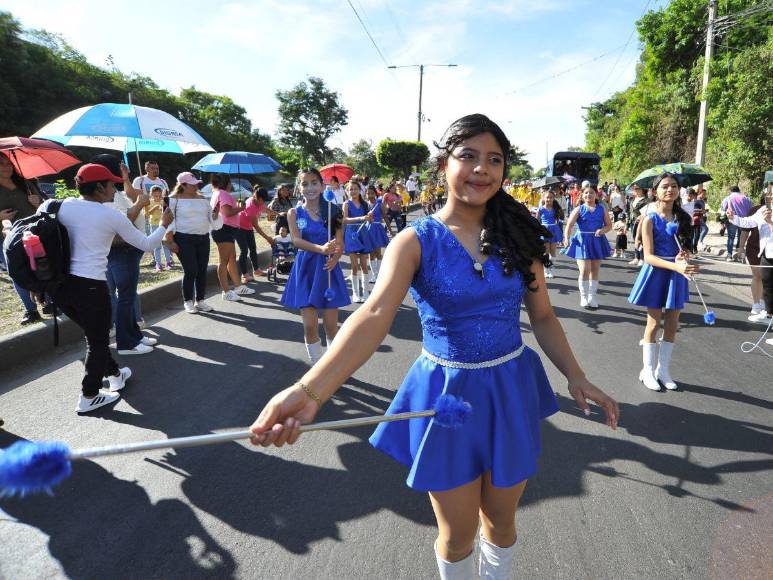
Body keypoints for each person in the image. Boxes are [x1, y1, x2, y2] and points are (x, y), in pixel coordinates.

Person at [248, 114, 618, 580]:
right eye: (468, 156)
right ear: (443, 165)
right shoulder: (414, 241)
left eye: (494, 160)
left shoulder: (517, 237)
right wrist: (309, 390)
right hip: (446, 397)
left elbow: (542, 315)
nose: (481, 169)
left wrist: (576, 376)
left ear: (504, 171)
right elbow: (374, 316)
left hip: (510, 389)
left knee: (502, 522)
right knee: (458, 532)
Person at [41, 163, 172, 413]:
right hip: (90, 286)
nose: (115, 188)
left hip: (58, 287)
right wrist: (164, 224)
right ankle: (89, 395)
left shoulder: (55, 205)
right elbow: (146, 244)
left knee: (94, 333)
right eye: (111, 184)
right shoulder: (109, 215)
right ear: (99, 187)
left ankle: (114, 373)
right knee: (97, 340)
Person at [628, 173, 698, 391]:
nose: (670, 190)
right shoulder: (649, 219)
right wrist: (675, 266)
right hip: (656, 272)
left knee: (672, 324)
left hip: (676, 274)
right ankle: (646, 370)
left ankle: (663, 369)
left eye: (674, 186)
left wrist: (684, 258)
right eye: (665, 186)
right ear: (655, 191)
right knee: (653, 323)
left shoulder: (684, 219)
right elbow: (647, 256)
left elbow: (686, 250)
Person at [281, 167, 349, 364]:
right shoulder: (294, 212)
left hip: (328, 270)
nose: (309, 187)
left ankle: (331, 365)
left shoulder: (333, 210)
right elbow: (296, 240)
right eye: (304, 183)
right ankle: (316, 366)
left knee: (330, 326)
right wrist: (321, 249)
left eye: (314, 183)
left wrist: (335, 257)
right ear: (299, 187)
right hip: (306, 270)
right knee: (310, 326)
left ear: (322, 186)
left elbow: (340, 243)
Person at [164, 172, 222, 314]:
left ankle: (200, 300)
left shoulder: (202, 198)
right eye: (193, 184)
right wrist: (170, 241)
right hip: (183, 239)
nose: (196, 186)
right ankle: (188, 301)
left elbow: (211, 219)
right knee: (191, 270)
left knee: (202, 270)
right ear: (182, 185)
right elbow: (167, 221)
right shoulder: (172, 199)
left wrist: (215, 213)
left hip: (203, 238)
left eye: (197, 183)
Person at [0, 152, 45, 324]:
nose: (6, 166)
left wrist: (37, 203)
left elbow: (43, 206)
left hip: (33, 233)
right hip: (5, 239)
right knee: (16, 273)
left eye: (8, 163)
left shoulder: (24, 183)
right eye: (1, 163)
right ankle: (31, 310)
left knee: (41, 267)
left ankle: (47, 300)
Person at [727, 189, 773, 331]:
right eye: (770, 194)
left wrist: (770, 222)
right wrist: (733, 217)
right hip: (767, 251)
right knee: (768, 284)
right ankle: (769, 314)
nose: (770, 197)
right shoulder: (764, 210)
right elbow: (749, 222)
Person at [562, 186, 613, 309]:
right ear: (582, 195)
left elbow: (609, 226)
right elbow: (569, 225)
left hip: (597, 241)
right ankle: (583, 296)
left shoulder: (602, 209)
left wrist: (602, 230)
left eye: (591, 193)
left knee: (595, 270)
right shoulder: (579, 209)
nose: (588, 195)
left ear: (596, 195)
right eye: (586, 193)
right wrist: (566, 238)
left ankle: (592, 296)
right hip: (582, 241)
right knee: (585, 269)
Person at [209, 173, 255, 301]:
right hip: (224, 230)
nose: (231, 184)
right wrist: (241, 208)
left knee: (231, 258)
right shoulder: (223, 194)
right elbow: (227, 213)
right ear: (226, 183)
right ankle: (226, 291)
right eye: (230, 182)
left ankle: (238, 286)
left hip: (226, 230)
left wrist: (237, 207)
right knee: (223, 261)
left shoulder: (218, 193)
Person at [342, 181, 373, 303]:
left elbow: (369, 222)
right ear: (347, 191)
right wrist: (360, 218)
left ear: (360, 190)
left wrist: (369, 217)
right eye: (350, 189)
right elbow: (344, 220)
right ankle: (356, 294)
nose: (353, 191)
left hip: (363, 234)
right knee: (354, 266)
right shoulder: (346, 204)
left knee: (364, 265)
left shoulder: (365, 205)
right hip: (352, 235)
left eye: (355, 189)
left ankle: (365, 292)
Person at [237, 186, 273, 283]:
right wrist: (267, 238)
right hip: (239, 228)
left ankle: (256, 270)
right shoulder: (250, 206)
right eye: (264, 200)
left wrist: (278, 214)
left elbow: (266, 209)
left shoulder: (259, 202)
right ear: (260, 198)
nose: (264, 202)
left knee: (253, 248)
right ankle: (244, 275)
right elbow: (256, 226)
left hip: (248, 227)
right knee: (244, 250)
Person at [363, 185, 390, 283]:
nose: (370, 195)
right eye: (368, 193)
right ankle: (375, 275)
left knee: (378, 253)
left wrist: (390, 231)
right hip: (368, 230)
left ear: (375, 193)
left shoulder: (380, 204)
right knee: (371, 254)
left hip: (377, 229)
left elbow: (385, 217)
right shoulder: (365, 205)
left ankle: (380, 274)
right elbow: (362, 218)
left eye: (372, 193)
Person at [536, 188, 563, 278]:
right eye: (547, 197)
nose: (549, 199)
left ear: (553, 199)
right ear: (543, 198)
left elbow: (559, 220)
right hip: (544, 230)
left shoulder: (555, 209)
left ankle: (550, 269)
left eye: (551, 197)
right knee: (546, 251)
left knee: (553, 251)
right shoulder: (540, 209)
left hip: (553, 230)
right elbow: (537, 221)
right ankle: (546, 269)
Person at [720, 186, 752, 262]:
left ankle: (729, 255)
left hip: (732, 220)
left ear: (731, 191)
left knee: (731, 237)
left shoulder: (728, 198)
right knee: (741, 238)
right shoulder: (746, 199)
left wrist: (722, 223)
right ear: (739, 190)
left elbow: (723, 210)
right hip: (743, 221)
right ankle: (740, 256)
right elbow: (751, 209)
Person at [145, 186, 174, 271]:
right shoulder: (148, 202)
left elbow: (169, 212)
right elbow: (146, 215)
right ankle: (158, 264)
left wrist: (164, 209)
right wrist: (154, 208)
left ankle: (168, 262)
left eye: (159, 196)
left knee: (165, 244)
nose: (158, 198)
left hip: (164, 226)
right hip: (153, 225)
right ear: (151, 195)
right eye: (155, 196)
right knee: (156, 246)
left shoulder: (163, 202)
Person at [628, 184, 649, 266]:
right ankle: (636, 257)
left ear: (643, 189)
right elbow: (629, 210)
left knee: (641, 240)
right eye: (634, 189)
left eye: (637, 188)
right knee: (635, 239)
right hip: (633, 221)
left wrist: (641, 217)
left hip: (642, 222)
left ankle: (642, 258)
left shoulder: (646, 200)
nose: (635, 190)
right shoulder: (633, 199)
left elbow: (647, 211)